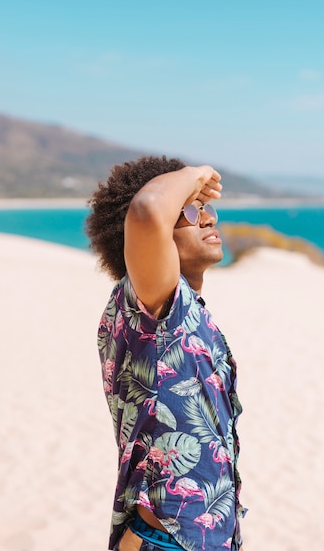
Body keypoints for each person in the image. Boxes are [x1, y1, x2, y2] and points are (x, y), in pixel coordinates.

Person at [86, 156, 246, 551]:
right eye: (188, 212)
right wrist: (196, 174)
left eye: (207, 210)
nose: (208, 220)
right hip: (168, 541)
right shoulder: (149, 307)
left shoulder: (181, 309)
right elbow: (146, 211)